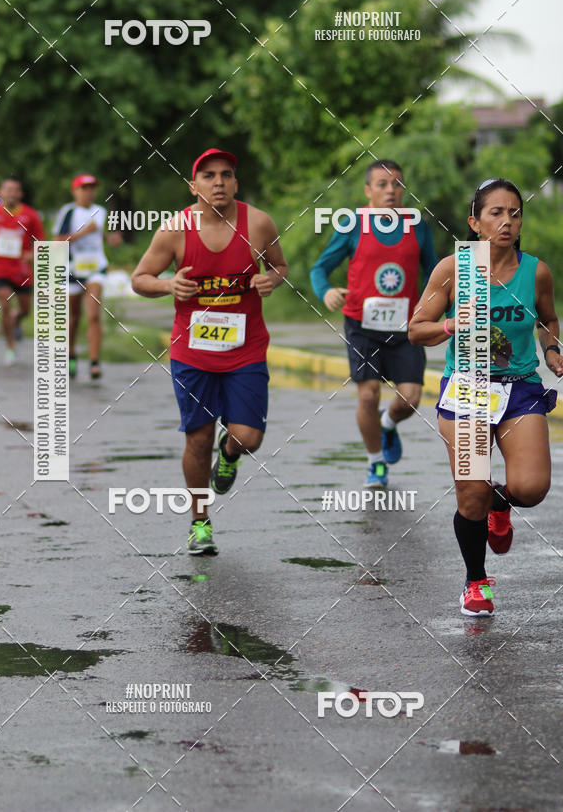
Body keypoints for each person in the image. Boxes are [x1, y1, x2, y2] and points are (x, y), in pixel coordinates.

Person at [408, 177, 562, 617]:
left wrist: (552, 349)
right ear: (475, 222)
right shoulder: (454, 270)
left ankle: (502, 503)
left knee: (531, 489)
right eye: (496, 213)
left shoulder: (537, 271)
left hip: (519, 390)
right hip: (470, 391)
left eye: (515, 213)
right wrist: (447, 327)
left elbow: (548, 319)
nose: (507, 221)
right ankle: (476, 581)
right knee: (470, 496)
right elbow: (416, 330)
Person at [131, 148, 288, 555]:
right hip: (192, 352)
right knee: (197, 439)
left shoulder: (258, 223)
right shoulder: (174, 230)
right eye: (208, 175)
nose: (218, 182)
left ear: (235, 183)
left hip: (246, 347)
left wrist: (272, 280)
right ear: (193, 185)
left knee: (249, 436)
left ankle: (230, 450)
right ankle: (199, 521)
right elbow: (140, 278)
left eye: (226, 174)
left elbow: (279, 266)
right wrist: (168, 286)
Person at [310, 159, 437, 487]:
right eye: (382, 184)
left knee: (410, 398)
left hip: (405, 327)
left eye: (397, 184)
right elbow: (319, 269)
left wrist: (431, 308)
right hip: (362, 325)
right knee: (367, 394)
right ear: (368, 190)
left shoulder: (417, 225)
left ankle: (388, 424)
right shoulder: (353, 224)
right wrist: (325, 293)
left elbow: (436, 274)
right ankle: (375, 462)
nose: (391, 190)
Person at [53, 174, 121, 380]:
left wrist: (110, 238)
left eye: (92, 188)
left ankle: (94, 363)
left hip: (95, 268)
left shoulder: (101, 211)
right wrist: (83, 232)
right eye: (84, 188)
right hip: (73, 269)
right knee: (73, 318)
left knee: (93, 313)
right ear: (75, 191)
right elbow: (57, 242)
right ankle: (71, 354)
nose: (89, 192)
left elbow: (99, 235)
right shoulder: (68, 211)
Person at [0, 176, 45, 365]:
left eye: (15, 190)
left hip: (22, 271)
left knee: (24, 310)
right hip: (0, 269)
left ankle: (17, 319)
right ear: (1, 193)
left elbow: (41, 242)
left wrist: (32, 254)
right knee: (5, 303)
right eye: (8, 189)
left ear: (20, 194)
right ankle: (11, 348)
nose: (11, 193)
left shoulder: (30, 215)